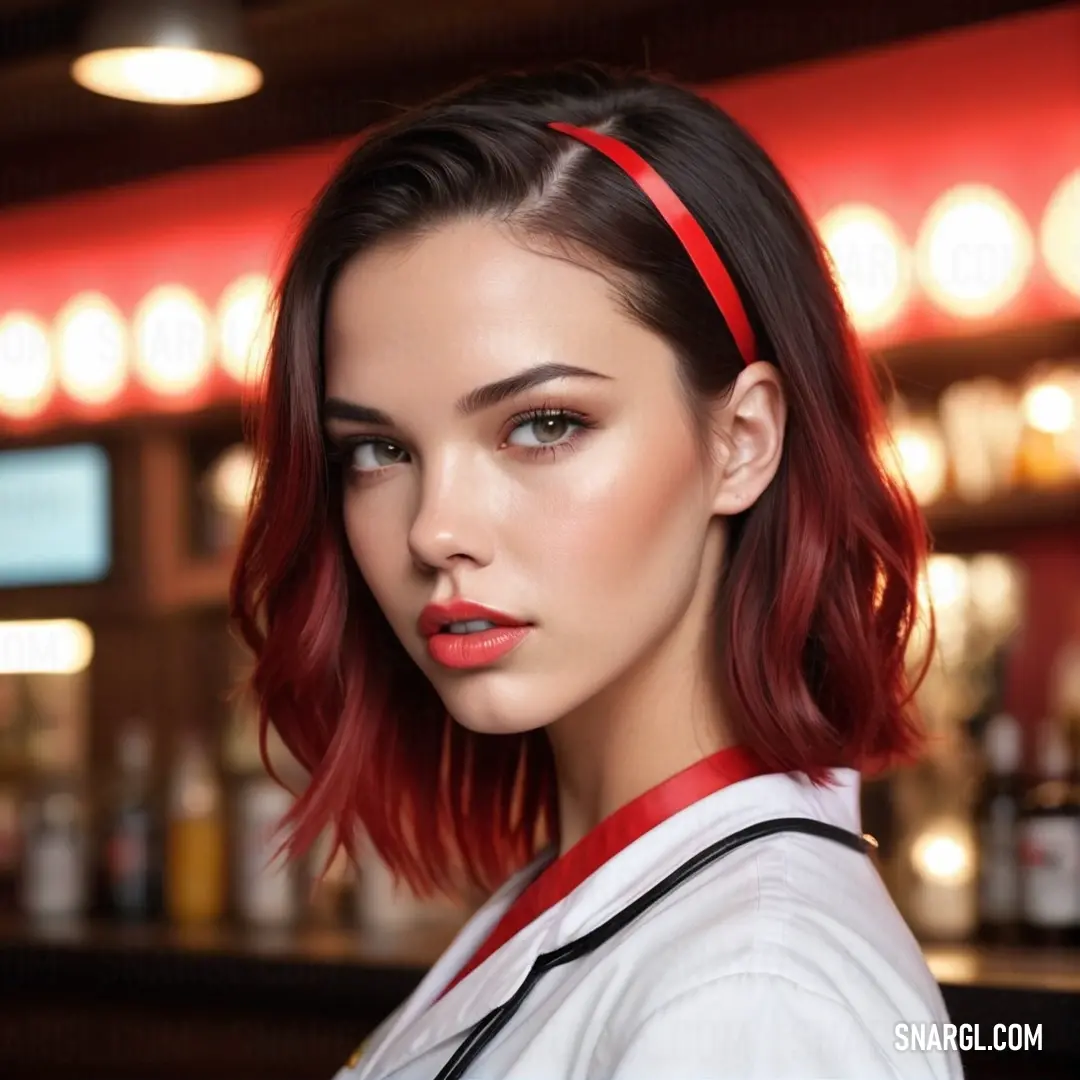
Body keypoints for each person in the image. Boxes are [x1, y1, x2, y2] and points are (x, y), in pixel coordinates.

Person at [231, 63, 963, 1079]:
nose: (435, 530)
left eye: (543, 424)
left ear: (742, 441)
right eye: (377, 450)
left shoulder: (751, 1007)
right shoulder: (612, 896)